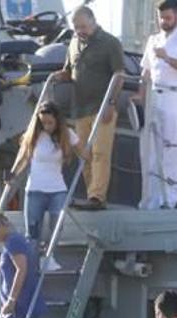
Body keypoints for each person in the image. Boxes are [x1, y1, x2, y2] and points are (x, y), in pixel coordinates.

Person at [54, 6, 124, 211]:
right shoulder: (74, 43)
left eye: (83, 26)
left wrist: (111, 103)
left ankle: (97, 197)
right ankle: (91, 194)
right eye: (76, 27)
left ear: (93, 22)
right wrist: (58, 76)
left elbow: (119, 74)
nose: (80, 31)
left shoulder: (110, 43)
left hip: (102, 107)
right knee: (84, 154)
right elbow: (69, 71)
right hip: (80, 109)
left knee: (101, 153)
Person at [134, 0, 177, 210]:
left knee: (171, 151)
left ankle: (168, 200)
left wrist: (167, 57)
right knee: (151, 152)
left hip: (175, 98)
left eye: (168, 18)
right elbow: (146, 71)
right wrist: (140, 95)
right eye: (161, 18)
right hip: (154, 97)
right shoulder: (153, 39)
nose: (163, 22)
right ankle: (151, 199)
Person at [9, 100, 88, 271]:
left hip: (57, 189)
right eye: (43, 122)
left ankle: (50, 257)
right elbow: (23, 157)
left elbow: (83, 153)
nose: (46, 126)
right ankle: (32, 263)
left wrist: (88, 155)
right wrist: (13, 174)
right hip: (35, 189)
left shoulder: (67, 134)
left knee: (56, 227)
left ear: (57, 121)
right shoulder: (34, 135)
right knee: (33, 230)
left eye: (50, 122)